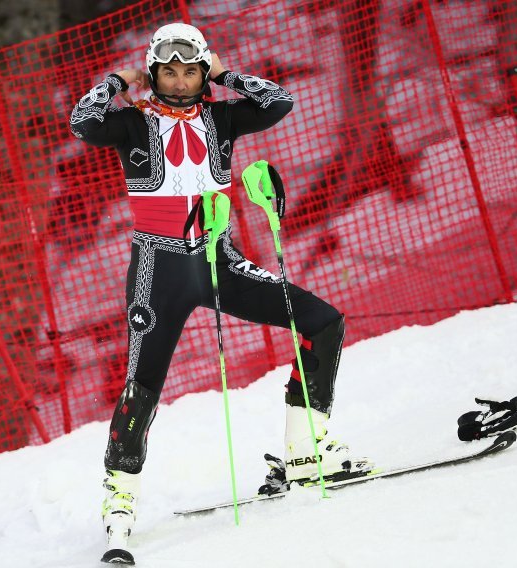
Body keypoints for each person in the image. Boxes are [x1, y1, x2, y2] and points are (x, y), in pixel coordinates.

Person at [69, 22, 373, 545]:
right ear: (154, 72)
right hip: (158, 271)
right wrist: (118, 81)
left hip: (220, 261)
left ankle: (306, 452)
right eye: (169, 71)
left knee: (324, 322)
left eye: (191, 71)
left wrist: (226, 74)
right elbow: (83, 123)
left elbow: (279, 103)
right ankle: (119, 498)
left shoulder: (222, 117)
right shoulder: (132, 124)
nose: (182, 81)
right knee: (142, 386)